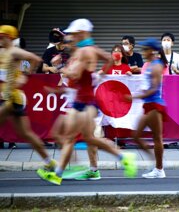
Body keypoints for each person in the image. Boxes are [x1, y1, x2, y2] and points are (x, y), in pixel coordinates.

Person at [36, 19, 137, 185]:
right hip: (81, 101)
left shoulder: (85, 51)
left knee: (69, 138)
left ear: (82, 33)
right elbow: (109, 59)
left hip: (85, 102)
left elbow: (75, 75)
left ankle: (58, 174)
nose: (71, 37)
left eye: (74, 34)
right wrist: (99, 75)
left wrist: (62, 67)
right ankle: (123, 157)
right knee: (87, 138)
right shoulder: (88, 49)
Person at [0, 25, 57, 171]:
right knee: (26, 134)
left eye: (2, 36)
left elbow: (35, 59)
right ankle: (50, 162)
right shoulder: (2, 52)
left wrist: (25, 76)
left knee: (26, 133)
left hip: (12, 99)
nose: (0, 38)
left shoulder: (14, 51)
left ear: (9, 37)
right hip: (9, 97)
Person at [125, 38, 168, 178]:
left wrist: (134, 97)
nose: (143, 52)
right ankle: (157, 164)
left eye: (145, 49)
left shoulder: (156, 66)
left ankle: (159, 168)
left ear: (152, 50)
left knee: (155, 138)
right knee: (137, 136)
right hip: (149, 105)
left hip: (155, 104)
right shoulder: (149, 65)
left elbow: (154, 88)